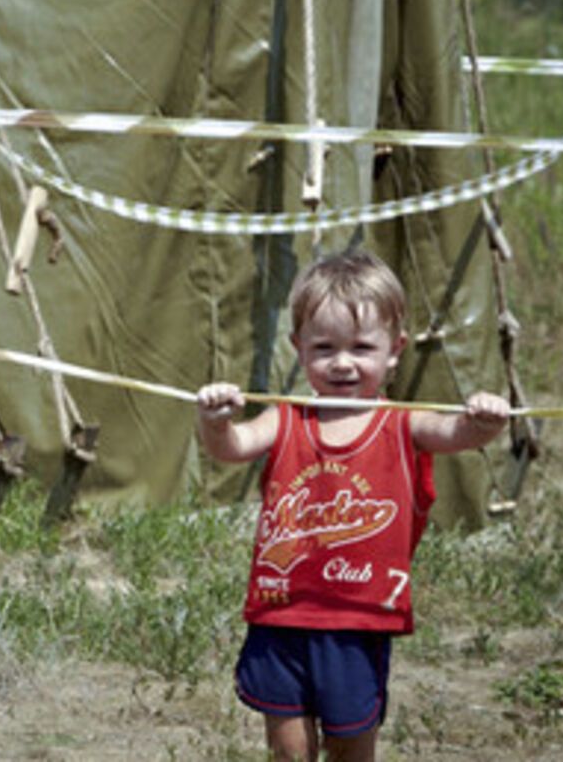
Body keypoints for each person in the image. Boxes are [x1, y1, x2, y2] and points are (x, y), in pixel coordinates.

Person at [196, 248, 509, 762]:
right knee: (288, 750)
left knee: (351, 748)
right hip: (282, 613)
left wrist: (485, 419)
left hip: (358, 619)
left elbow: (459, 433)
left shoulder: (404, 422)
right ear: (298, 348)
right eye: (324, 347)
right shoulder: (285, 419)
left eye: (362, 347)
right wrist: (214, 421)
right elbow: (230, 448)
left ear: (394, 351)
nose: (342, 362)